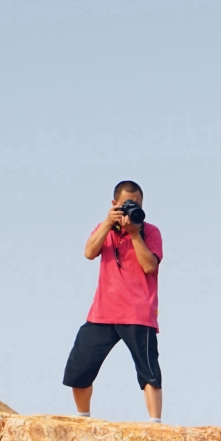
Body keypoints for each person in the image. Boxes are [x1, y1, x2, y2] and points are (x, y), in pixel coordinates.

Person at [62, 179, 164, 422]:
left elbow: (150, 266)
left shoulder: (150, 232)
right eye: (126, 204)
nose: (131, 208)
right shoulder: (103, 228)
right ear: (114, 204)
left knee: (149, 372)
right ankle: (83, 419)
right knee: (79, 369)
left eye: (137, 204)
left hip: (138, 313)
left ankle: (155, 425)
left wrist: (135, 234)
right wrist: (108, 223)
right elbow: (89, 253)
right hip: (102, 313)